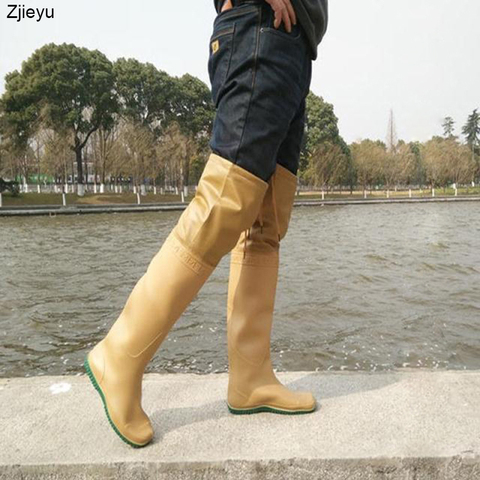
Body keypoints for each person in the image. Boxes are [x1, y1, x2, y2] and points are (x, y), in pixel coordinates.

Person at [84, 0, 329, 448]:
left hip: (294, 46)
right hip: (260, 29)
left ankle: (251, 377)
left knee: (266, 221)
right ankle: (120, 352)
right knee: (224, 201)